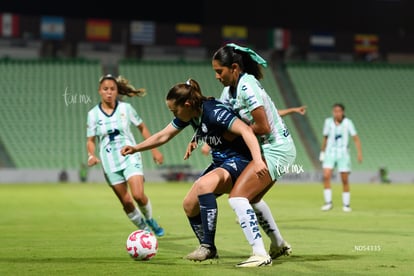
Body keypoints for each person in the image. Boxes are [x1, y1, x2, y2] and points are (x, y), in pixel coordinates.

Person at [121, 78, 270, 267]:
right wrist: (135, 148)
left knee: (204, 185)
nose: (174, 114)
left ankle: (207, 247)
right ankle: (208, 247)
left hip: (241, 161)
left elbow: (246, 131)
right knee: (189, 205)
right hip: (221, 162)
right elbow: (163, 135)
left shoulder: (215, 112)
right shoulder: (191, 114)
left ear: (188, 104)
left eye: (175, 110)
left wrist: (257, 161)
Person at [209, 43, 297, 266]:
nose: (217, 76)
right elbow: (219, 121)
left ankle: (259, 254)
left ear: (235, 68)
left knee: (238, 197)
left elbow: (264, 127)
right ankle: (278, 244)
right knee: (253, 199)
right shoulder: (228, 92)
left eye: (220, 71)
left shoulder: (248, 87)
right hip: (266, 148)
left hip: (276, 148)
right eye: (215, 72)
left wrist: (231, 137)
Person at [86, 74, 165, 236]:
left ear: (117, 91)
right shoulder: (93, 114)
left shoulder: (126, 109)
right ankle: (144, 230)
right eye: (105, 89)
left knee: (137, 195)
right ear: (99, 91)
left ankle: (149, 218)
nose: (109, 92)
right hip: (109, 162)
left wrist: (154, 149)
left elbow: (142, 127)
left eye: (112, 89)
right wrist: (91, 154)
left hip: (130, 155)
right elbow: (91, 140)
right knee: (126, 201)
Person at [200, 106, 307, 155]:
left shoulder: (249, 101)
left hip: (243, 149)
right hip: (231, 149)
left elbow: (270, 115)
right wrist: (209, 144)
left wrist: (293, 110)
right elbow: (220, 122)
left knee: (243, 196)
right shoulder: (229, 98)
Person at [319, 103, 363, 212]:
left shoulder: (348, 123)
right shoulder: (328, 122)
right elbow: (325, 138)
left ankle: (346, 205)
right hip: (330, 152)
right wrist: (322, 152)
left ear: (343, 112)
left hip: (343, 153)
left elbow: (355, 138)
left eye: (339, 111)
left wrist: (359, 153)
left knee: (344, 179)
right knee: (326, 176)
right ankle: (328, 203)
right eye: (335, 111)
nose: (336, 113)